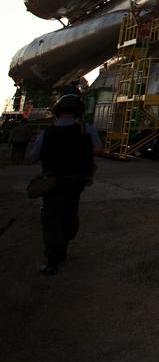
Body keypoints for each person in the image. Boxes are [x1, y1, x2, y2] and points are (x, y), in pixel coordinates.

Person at [27, 91, 102, 275]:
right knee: (69, 212)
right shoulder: (87, 129)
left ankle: (53, 261)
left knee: (51, 219)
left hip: (52, 182)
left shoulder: (47, 132)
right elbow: (98, 149)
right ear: (79, 112)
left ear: (57, 112)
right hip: (77, 181)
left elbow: (32, 158)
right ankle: (64, 243)